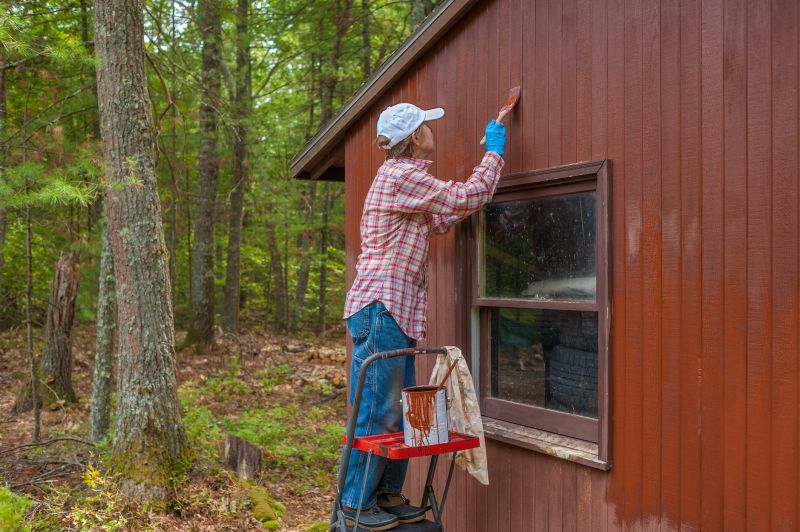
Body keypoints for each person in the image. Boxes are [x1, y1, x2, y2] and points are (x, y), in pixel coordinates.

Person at [340, 102, 507, 530]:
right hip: (382, 308)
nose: (432, 129)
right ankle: (354, 505)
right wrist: (494, 154)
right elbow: (463, 196)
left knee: (395, 407)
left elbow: (445, 214)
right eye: (426, 126)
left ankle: (386, 494)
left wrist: (477, 180)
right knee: (378, 411)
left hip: (391, 311)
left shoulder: (405, 183)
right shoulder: (402, 175)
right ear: (415, 137)